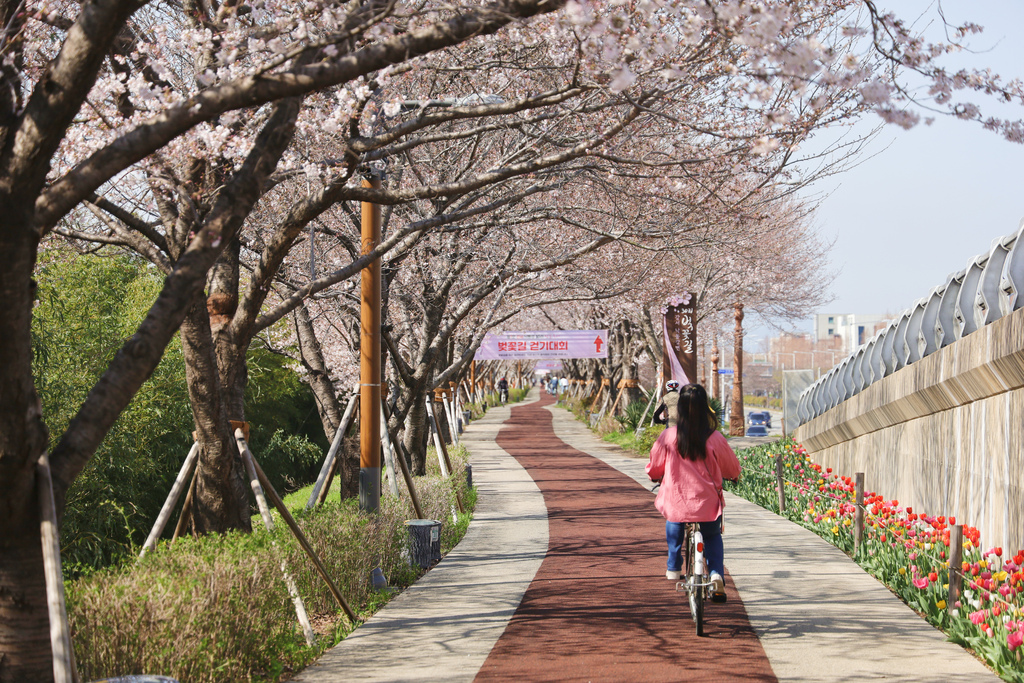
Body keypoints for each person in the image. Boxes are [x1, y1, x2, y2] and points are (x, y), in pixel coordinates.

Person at [645, 383, 740, 603]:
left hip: (677, 499)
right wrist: (734, 476)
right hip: (707, 504)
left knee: (674, 518)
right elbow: (731, 467)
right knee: (712, 535)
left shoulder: (668, 437)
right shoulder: (714, 438)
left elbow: (654, 467)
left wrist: (654, 475)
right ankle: (716, 574)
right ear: (705, 407)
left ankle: (673, 565)